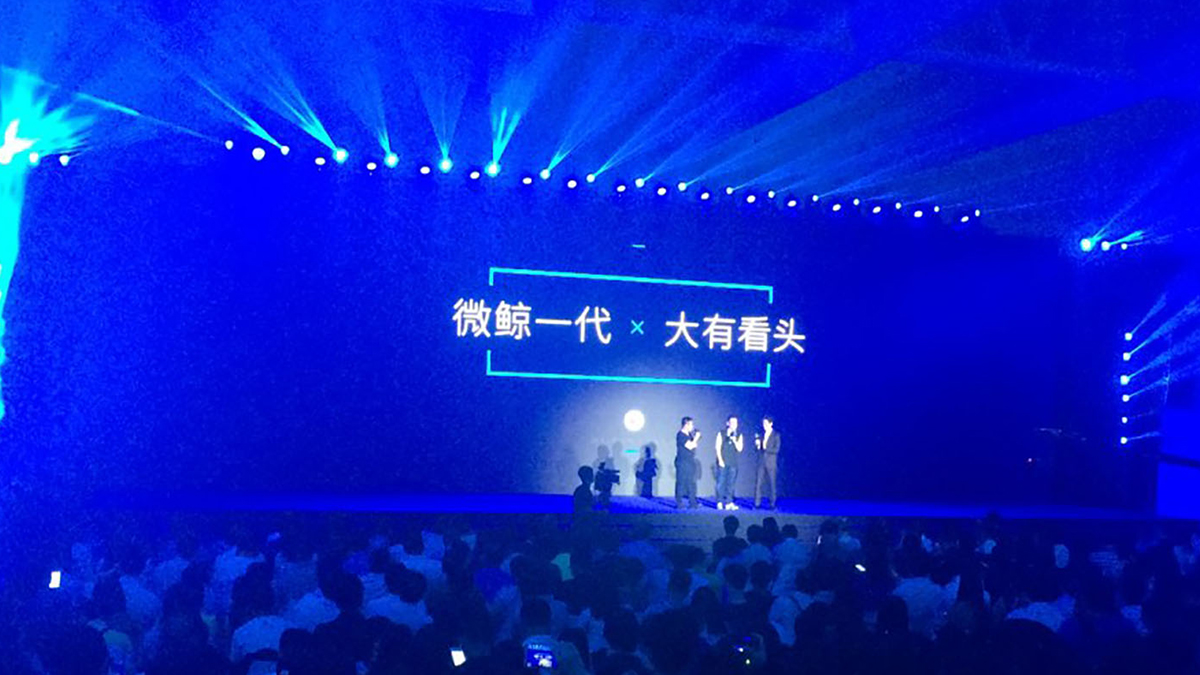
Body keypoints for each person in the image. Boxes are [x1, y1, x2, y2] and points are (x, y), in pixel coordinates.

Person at [715, 416, 744, 510]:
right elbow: (717, 447)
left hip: (733, 462)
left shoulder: (739, 435)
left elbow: (739, 449)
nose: (734, 425)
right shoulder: (721, 433)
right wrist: (720, 460)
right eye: (732, 422)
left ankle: (729, 502)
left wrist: (734, 440)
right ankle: (719, 501)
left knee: (731, 483)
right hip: (723, 461)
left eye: (736, 423)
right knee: (721, 482)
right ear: (727, 423)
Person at [754, 416, 781, 510]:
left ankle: (772, 504)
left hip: (771, 463)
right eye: (763, 423)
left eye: (766, 423)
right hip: (761, 462)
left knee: (772, 484)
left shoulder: (776, 435)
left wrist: (765, 448)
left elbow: (776, 449)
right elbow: (757, 450)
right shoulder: (761, 434)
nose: (764, 425)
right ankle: (757, 503)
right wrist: (758, 445)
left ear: (771, 423)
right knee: (758, 483)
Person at [674, 418, 701, 509]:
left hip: (690, 461)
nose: (692, 427)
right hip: (682, 461)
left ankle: (692, 502)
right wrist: (696, 438)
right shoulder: (680, 435)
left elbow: (694, 445)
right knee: (681, 481)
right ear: (686, 425)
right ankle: (679, 502)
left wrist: (694, 440)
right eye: (691, 425)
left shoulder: (689, 435)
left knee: (691, 482)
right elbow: (690, 446)